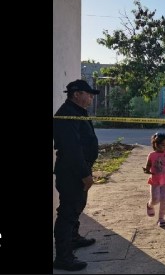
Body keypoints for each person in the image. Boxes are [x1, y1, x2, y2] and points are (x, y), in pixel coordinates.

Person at [53, 80, 100, 271]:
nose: (91, 97)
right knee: (67, 212)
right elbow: (72, 149)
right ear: (76, 94)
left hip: (79, 169)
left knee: (77, 206)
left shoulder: (77, 112)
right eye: (88, 94)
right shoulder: (66, 114)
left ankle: (73, 238)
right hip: (72, 171)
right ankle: (63, 257)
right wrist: (84, 174)